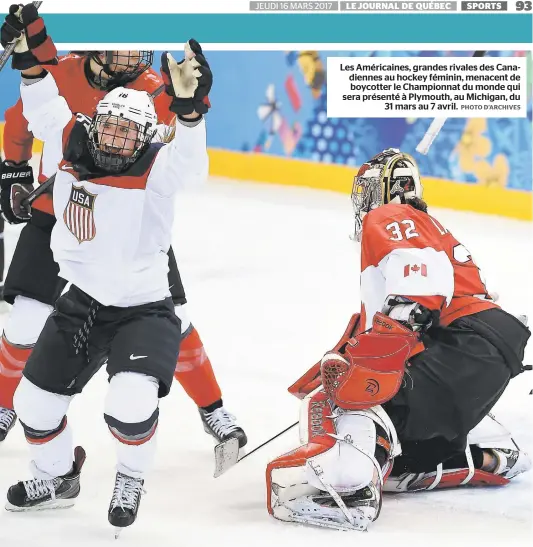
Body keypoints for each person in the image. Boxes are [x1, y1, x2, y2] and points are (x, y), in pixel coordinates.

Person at [0, 4, 212, 530]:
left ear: (148, 137)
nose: (116, 138)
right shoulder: (76, 140)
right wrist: (29, 65)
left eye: (129, 131)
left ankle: (130, 477)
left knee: (130, 404)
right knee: (34, 404)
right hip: (81, 302)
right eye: (109, 127)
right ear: (95, 125)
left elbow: (193, 165)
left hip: (143, 312)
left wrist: (189, 114)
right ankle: (58, 476)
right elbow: (45, 106)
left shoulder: (159, 171)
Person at [266, 148, 531, 531]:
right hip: (481, 351)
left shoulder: (391, 215)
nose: (363, 204)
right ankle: (489, 454)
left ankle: (349, 495)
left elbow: (420, 292)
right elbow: (383, 323)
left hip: (465, 344)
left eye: (367, 191)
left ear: (389, 189)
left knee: (350, 397)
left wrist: (371, 361)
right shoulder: (421, 225)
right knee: (396, 460)